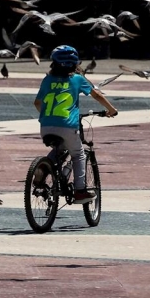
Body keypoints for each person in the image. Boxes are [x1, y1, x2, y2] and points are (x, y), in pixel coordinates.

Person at [33, 45, 117, 203]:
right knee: (78, 154)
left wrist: (49, 116)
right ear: (74, 64)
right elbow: (96, 95)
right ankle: (80, 191)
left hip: (45, 126)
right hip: (67, 125)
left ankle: (44, 167)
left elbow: (37, 103)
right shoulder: (77, 79)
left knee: (60, 148)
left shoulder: (47, 80)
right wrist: (112, 110)